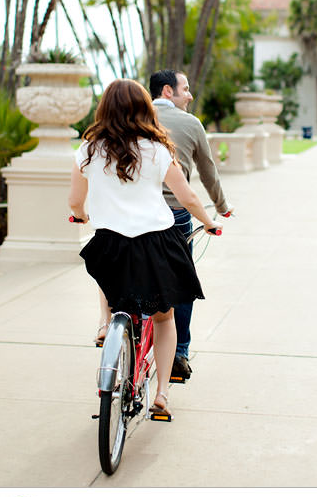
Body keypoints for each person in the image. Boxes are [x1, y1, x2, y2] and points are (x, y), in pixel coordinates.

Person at [68, 79, 221, 418]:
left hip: (110, 243)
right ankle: (162, 394)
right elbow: (186, 197)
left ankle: (106, 321)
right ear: (144, 108)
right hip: (155, 242)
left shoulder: (89, 149)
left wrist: (80, 216)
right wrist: (208, 221)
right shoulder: (157, 149)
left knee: (106, 270)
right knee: (164, 317)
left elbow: (75, 201)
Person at [149, 69, 232, 381]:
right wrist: (221, 208)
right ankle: (179, 352)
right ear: (168, 91)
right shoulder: (190, 123)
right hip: (175, 213)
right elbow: (207, 172)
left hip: (133, 212)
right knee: (181, 280)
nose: (190, 95)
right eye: (186, 89)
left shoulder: (133, 119)